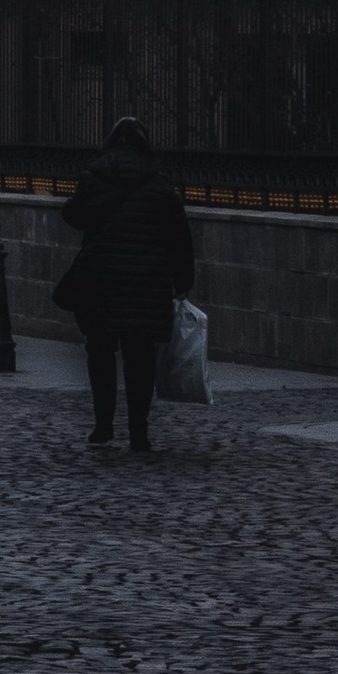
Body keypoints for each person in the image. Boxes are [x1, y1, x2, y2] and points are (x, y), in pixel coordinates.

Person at [57, 116, 197, 451]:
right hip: (146, 281)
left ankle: (103, 425)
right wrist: (182, 280)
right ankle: (139, 431)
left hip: (100, 278)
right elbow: (179, 236)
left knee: (100, 351)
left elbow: (74, 217)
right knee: (140, 357)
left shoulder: (93, 178)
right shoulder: (160, 183)